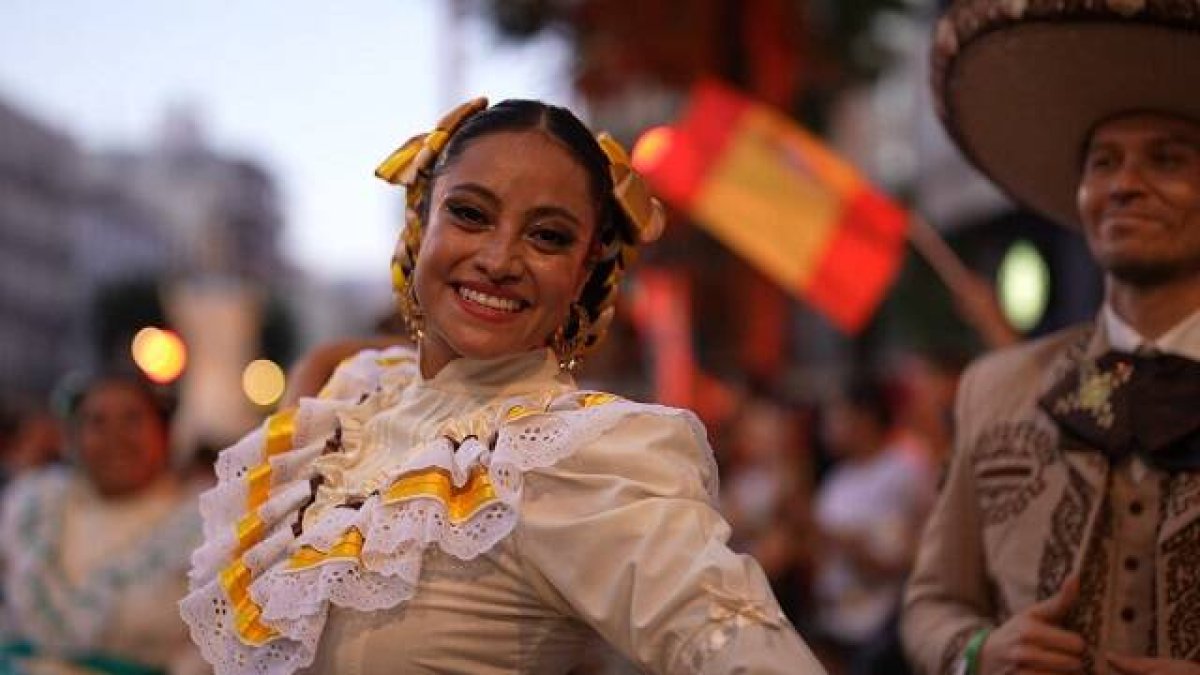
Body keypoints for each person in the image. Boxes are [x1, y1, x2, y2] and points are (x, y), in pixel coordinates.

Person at [180, 97, 825, 675]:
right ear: (420, 222)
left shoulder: (577, 453)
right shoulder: (351, 399)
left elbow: (733, 643)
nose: (499, 259)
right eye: (470, 214)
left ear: (582, 273)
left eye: (548, 236)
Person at [903, 1, 1200, 673]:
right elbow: (930, 604)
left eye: (1166, 158)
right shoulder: (996, 387)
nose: (1125, 184)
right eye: (1103, 162)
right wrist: (978, 652)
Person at [0, 371, 205, 674]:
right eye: (97, 422)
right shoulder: (34, 505)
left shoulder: (202, 525)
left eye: (132, 419)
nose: (116, 437)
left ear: (165, 432)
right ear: (73, 437)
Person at [812, 379, 931, 675]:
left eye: (837, 417)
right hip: (835, 620)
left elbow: (907, 547)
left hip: (884, 624)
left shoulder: (904, 466)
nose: (828, 428)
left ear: (863, 418)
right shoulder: (836, 481)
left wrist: (845, 542)